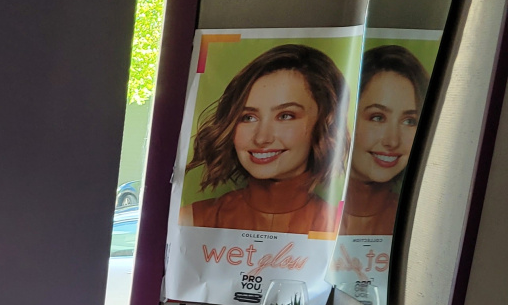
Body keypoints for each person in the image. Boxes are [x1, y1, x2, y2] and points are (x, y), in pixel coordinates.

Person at [180, 44, 346, 233]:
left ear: (324, 122)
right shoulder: (189, 220)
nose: (261, 138)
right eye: (248, 117)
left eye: (285, 116)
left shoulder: (340, 229)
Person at [340, 44, 429, 237]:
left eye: (409, 121)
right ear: (345, 118)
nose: (392, 141)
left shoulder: (422, 221)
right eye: (377, 117)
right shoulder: (311, 212)